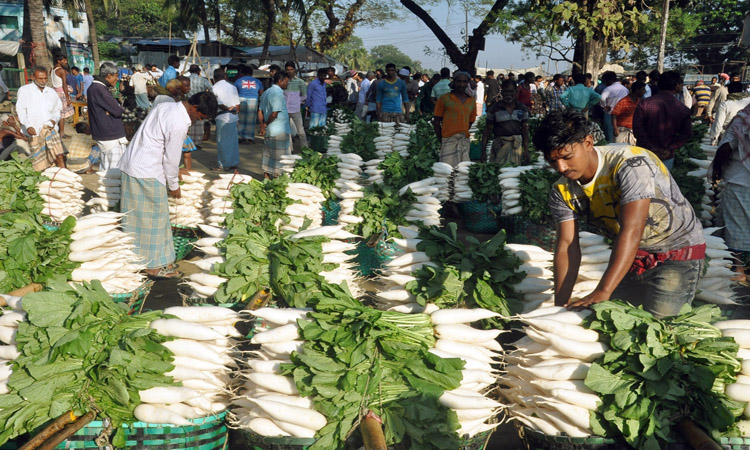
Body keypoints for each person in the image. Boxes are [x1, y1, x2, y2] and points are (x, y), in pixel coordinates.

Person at [537, 110, 705, 318]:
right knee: (613, 322)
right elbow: (567, 247)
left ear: (588, 143)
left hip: (675, 253)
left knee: (661, 329)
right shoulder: (562, 191)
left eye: (567, 157)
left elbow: (632, 230)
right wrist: (560, 307)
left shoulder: (630, 164)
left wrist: (603, 290)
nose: (561, 167)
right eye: (553, 162)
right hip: (631, 256)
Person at [118, 91, 217, 280]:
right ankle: (153, 267)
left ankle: (135, 260)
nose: (199, 121)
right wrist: (174, 185)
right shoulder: (179, 123)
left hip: (132, 164)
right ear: (194, 108)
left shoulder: (166, 106)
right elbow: (171, 159)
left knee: (135, 220)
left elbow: (157, 142)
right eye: (201, 116)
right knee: (155, 220)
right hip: (147, 172)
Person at [710, 103, 750, 282]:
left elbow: (726, 147)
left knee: (737, 225)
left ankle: (738, 268)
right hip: (741, 179)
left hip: (741, 179)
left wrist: (717, 168)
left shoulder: (743, 120)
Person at [632, 71, 692, 170]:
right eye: (681, 84)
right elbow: (686, 134)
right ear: (676, 85)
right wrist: (669, 149)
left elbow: (637, 129)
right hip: (667, 155)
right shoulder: (682, 109)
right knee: (663, 183)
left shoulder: (644, 104)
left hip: (645, 153)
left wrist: (651, 147)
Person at [16, 66, 65, 170]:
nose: (43, 81)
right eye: (40, 78)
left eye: (45, 78)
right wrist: (28, 125)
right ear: (32, 77)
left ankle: (61, 173)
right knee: (38, 160)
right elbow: (21, 110)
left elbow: (57, 109)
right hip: (34, 130)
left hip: (50, 129)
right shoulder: (25, 90)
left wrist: (53, 120)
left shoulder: (51, 92)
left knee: (58, 155)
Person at [87, 62, 128, 171]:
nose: (117, 79)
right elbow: (118, 110)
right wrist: (117, 109)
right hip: (110, 134)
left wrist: (113, 109)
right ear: (109, 75)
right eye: (116, 76)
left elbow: (114, 109)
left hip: (104, 133)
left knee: (106, 165)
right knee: (114, 168)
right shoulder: (99, 89)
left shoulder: (96, 88)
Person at [433, 71, 476, 166]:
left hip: (464, 140)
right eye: (459, 81)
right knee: (447, 171)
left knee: (462, 172)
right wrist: (442, 139)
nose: (461, 84)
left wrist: (461, 132)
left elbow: (470, 121)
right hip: (448, 139)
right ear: (454, 82)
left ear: (468, 83)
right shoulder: (444, 99)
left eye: (464, 82)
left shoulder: (471, 101)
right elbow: (436, 121)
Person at [482, 79, 529, 165]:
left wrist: (526, 149)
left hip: (516, 147)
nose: (508, 95)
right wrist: (483, 151)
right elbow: (487, 129)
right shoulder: (495, 108)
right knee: (498, 172)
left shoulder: (522, 108)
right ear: (502, 91)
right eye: (505, 91)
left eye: (511, 92)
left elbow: (525, 129)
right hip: (500, 145)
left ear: (516, 91)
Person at [259, 71, 292, 179]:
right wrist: (266, 123)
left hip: (270, 130)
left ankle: (266, 175)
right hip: (279, 129)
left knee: (268, 154)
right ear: (280, 81)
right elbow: (274, 113)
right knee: (281, 157)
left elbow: (260, 111)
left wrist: (262, 125)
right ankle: (277, 178)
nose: (287, 84)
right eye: (286, 82)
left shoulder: (266, 92)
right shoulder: (277, 94)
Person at [212, 69, 240, 171]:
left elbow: (218, 103)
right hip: (233, 116)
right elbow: (237, 104)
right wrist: (235, 113)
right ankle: (233, 162)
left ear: (214, 78)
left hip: (222, 116)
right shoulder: (232, 87)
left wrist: (227, 108)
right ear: (225, 77)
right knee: (232, 141)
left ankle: (223, 164)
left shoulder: (214, 88)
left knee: (222, 141)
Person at [234, 65, 263, 143]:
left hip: (241, 99)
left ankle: (240, 137)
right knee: (251, 119)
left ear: (242, 73)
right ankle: (249, 137)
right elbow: (261, 92)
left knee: (241, 119)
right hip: (253, 100)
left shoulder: (238, 80)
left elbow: (234, 92)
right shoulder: (258, 81)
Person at [186, 64, 213, 148]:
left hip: (188, 104)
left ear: (190, 71)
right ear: (199, 71)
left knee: (188, 123)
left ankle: (188, 142)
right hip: (200, 103)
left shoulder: (187, 80)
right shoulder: (203, 80)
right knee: (199, 123)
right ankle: (196, 143)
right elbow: (211, 89)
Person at [599, 71, 629, 143]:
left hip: (610, 113)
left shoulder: (608, 89)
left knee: (610, 134)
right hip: (623, 114)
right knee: (622, 135)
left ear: (608, 80)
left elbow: (602, 98)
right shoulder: (624, 89)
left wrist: (604, 106)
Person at [284, 62, 307, 148]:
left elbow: (304, 95)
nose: (289, 71)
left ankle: (305, 148)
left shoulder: (300, 82)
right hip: (284, 109)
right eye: (287, 70)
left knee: (300, 131)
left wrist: (297, 101)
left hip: (295, 109)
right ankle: (289, 149)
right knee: (287, 131)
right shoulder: (283, 81)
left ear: (294, 70)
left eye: (291, 69)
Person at [50, 54, 73, 138]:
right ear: (59, 61)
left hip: (55, 93)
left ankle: (59, 132)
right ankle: (62, 134)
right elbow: (64, 85)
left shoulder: (52, 69)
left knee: (58, 113)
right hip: (62, 94)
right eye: (64, 60)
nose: (66, 62)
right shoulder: (61, 71)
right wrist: (67, 98)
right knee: (62, 115)